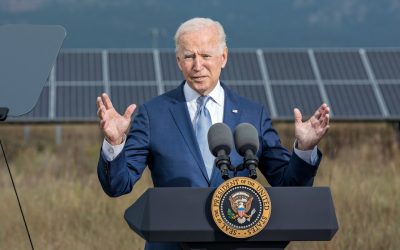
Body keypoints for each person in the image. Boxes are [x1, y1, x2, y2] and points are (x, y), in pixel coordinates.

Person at [96, 17, 330, 250]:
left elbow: (287, 186)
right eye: (189, 56)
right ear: (178, 61)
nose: (197, 66)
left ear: (223, 57)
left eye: (206, 56)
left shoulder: (252, 114)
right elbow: (117, 185)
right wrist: (114, 143)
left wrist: (304, 149)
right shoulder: (153, 114)